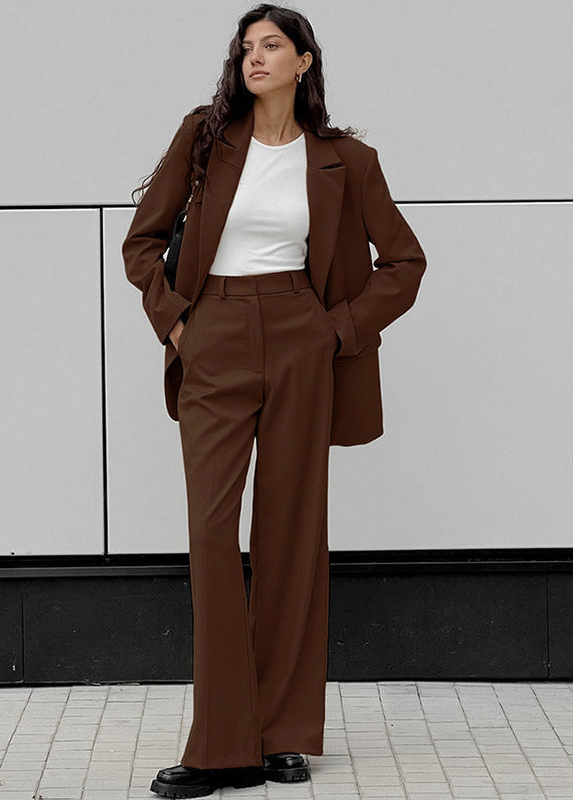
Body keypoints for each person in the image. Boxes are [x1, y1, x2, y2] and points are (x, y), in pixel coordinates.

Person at [122, 4, 427, 797]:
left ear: (304, 60)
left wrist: (335, 334)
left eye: (270, 46)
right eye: (245, 47)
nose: (254, 58)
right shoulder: (204, 137)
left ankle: (282, 735)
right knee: (213, 536)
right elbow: (141, 242)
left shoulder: (345, 159)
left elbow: (403, 262)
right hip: (214, 333)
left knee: (293, 536)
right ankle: (223, 742)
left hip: (301, 336)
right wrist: (180, 323)